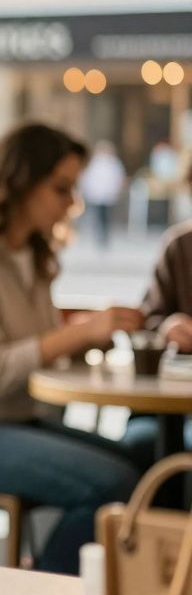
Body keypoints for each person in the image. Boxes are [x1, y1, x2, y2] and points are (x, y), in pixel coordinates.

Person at [0, 123, 143, 574]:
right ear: (20, 182)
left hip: (19, 419)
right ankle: (47, 582)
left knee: (148, 457)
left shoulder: (31, 254)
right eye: (62, 188)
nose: (73, 203)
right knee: (114, 482)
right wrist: (77, 335)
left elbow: (39, 355)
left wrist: (89, 339)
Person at [122, 157, 192, 463]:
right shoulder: (180, 247)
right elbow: (148, 320)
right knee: (143, 442)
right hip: (168, 402)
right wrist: (166, 327)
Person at [78, 140, 124, 248]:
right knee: (97, 217)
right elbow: (88, 178)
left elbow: (118, 178)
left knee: (106, 217)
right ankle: (99, 237)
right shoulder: (94, 163)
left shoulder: (113, 163)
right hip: (96, 195)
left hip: (108, 195)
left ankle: (105, 237)